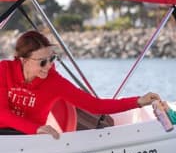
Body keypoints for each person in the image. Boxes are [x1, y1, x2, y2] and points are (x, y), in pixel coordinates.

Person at [0, 30, 160, 139]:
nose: (49, 66)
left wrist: (138, 101)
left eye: (52, 59)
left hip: (27, 141)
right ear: (23, 60)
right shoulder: (4, 70)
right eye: (42, 62)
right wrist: (35, 128)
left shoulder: (54, 81)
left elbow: (95, 106)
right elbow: (2, 113)